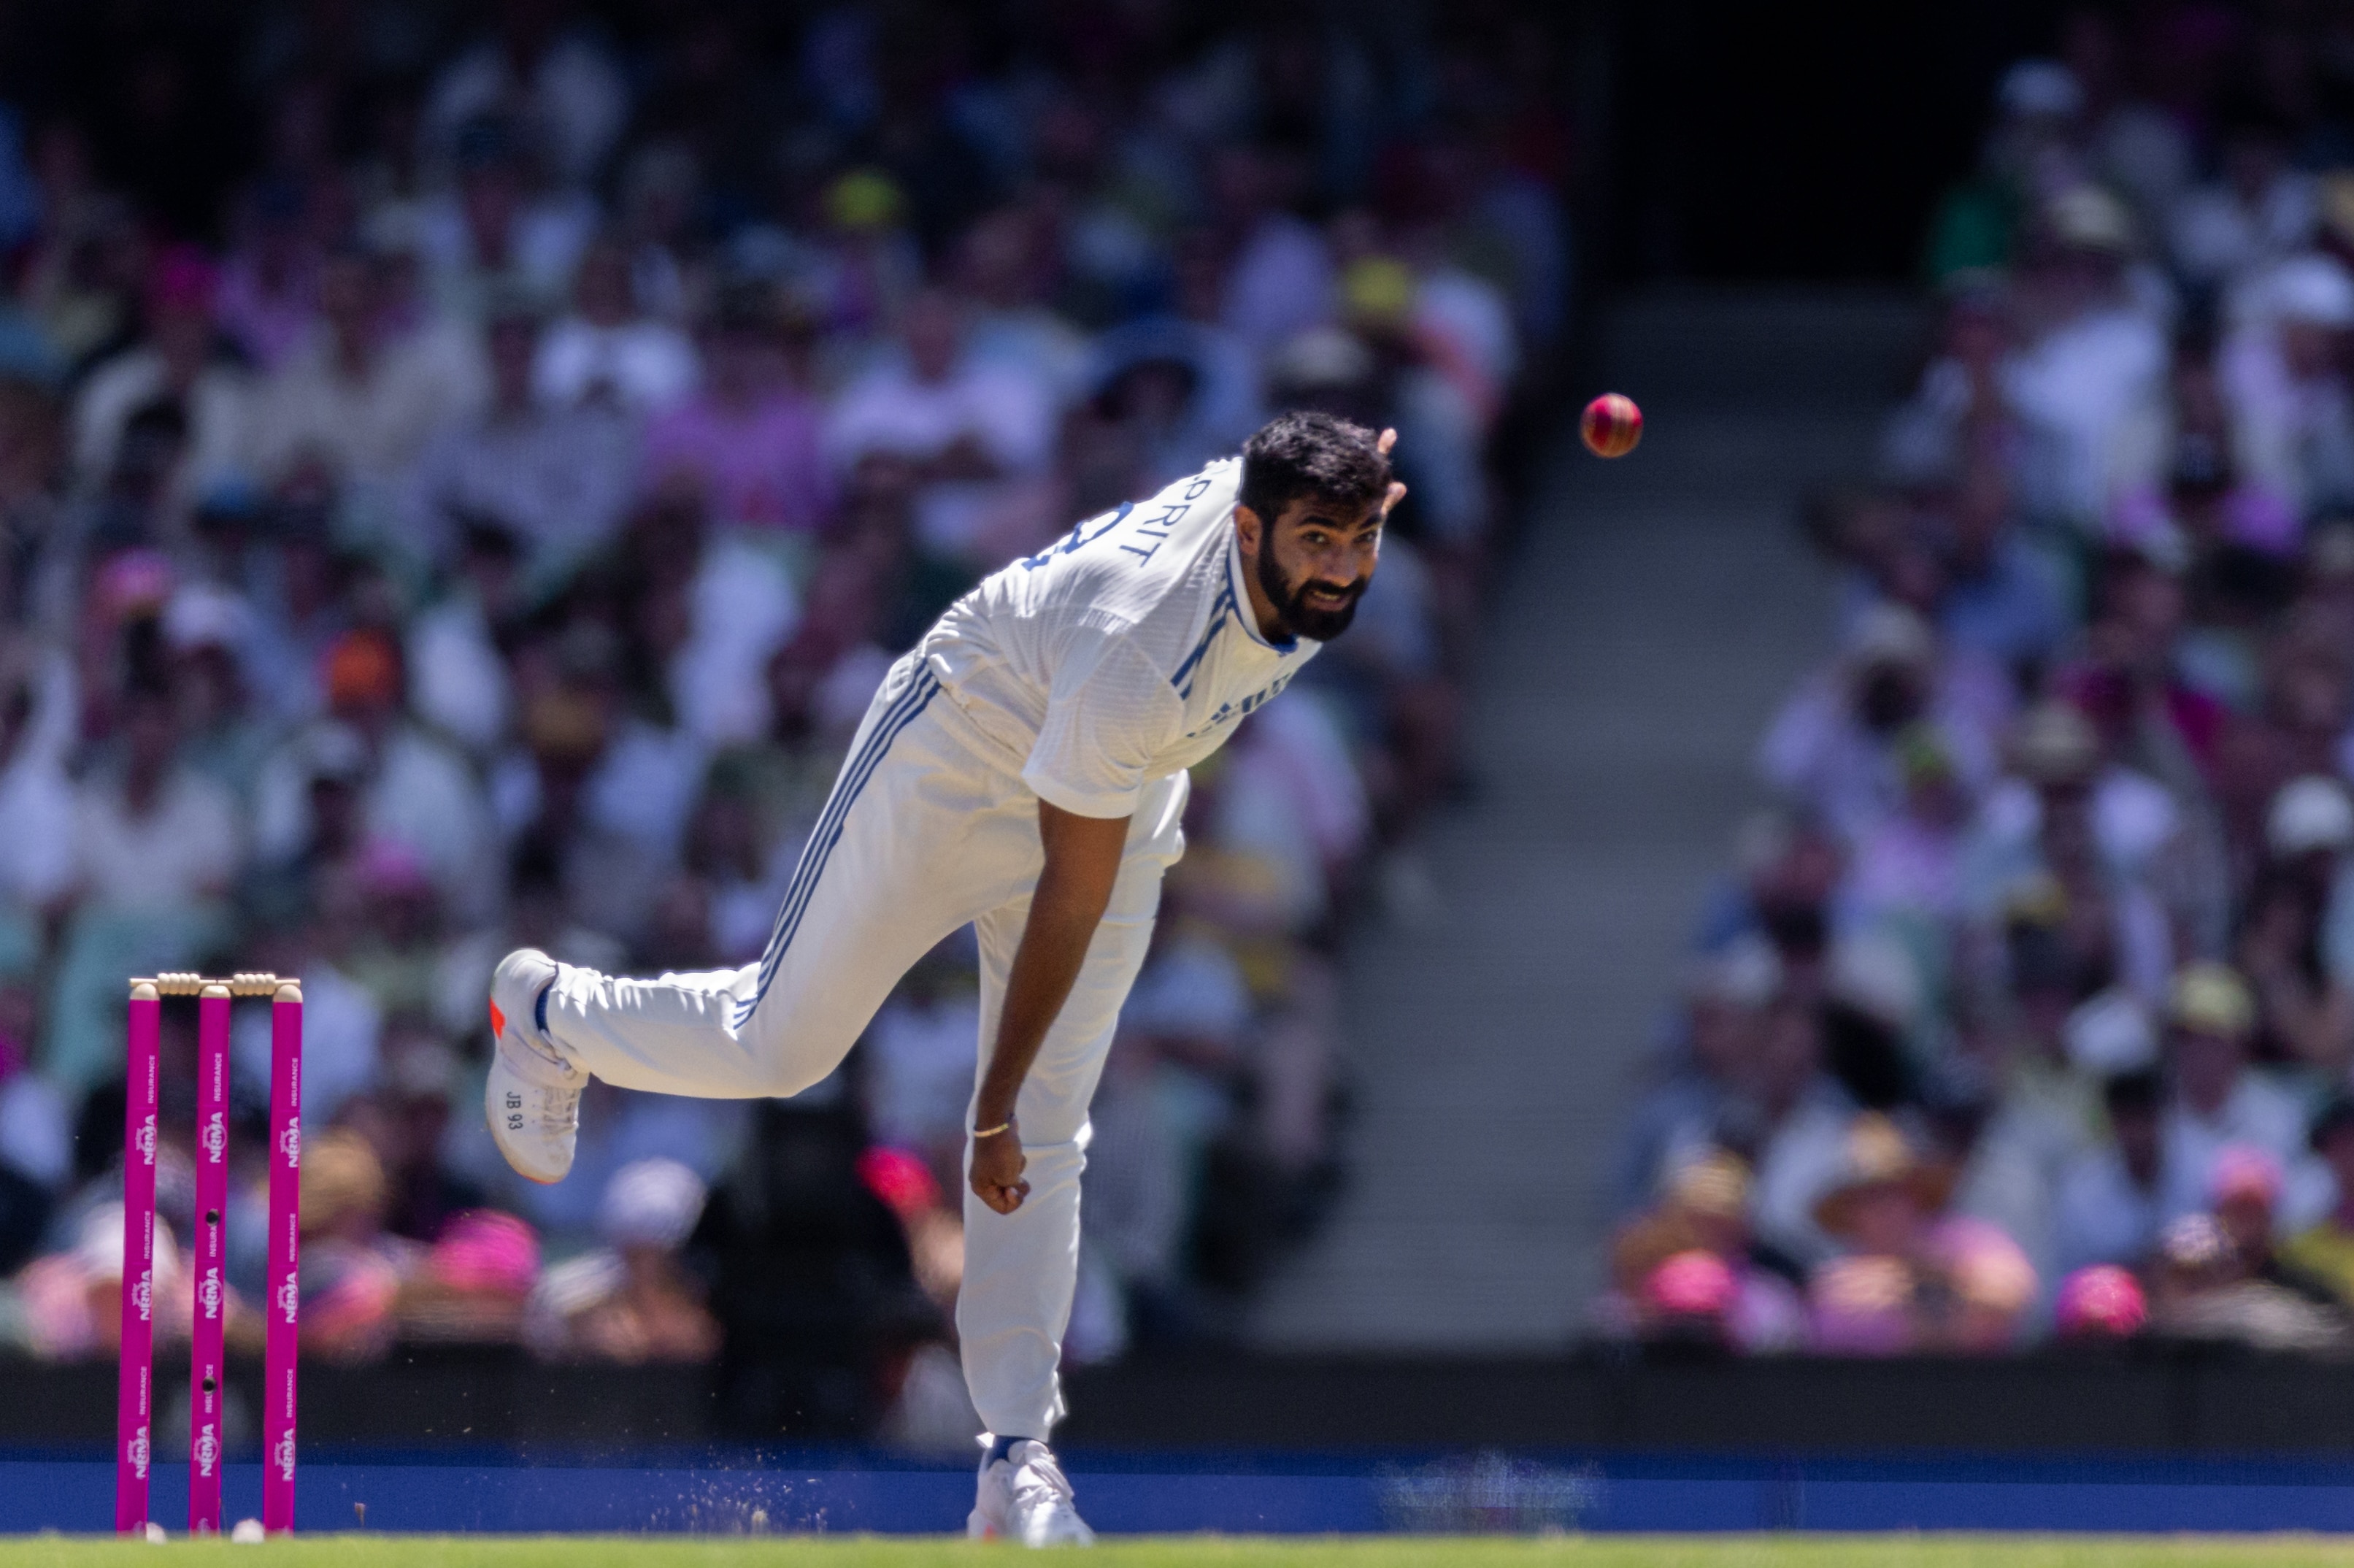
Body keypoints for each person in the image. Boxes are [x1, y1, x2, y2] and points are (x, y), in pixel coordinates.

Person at [480, 410, 1403, 1545]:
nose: (1341, 567)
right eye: (1316, 540)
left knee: (1052, 1129)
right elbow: (1067, 890)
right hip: (959, 754)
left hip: (1116, 789)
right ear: (1251, 529)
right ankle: (548, 1011)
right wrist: (989, 1108)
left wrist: (1359, 474)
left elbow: (1296, 469)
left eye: (1359, 537)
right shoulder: (1141, 638)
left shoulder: (1305, 525)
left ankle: (1016, 1462)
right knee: (786, 1048)